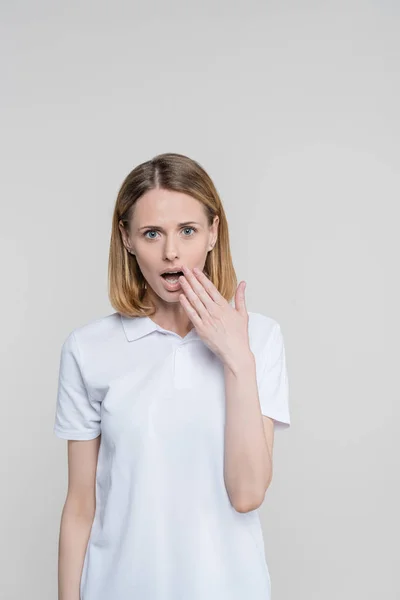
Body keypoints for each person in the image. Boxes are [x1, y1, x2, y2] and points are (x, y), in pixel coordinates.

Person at [54, 152, 291, 600]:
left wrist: (236, 358)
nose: (171, 252)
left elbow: (247, 493)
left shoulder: (259, 338)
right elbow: (81, 507)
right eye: (151, 233)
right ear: (126, 239)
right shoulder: (88, 349)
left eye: (187, 230)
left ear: (213, 233)